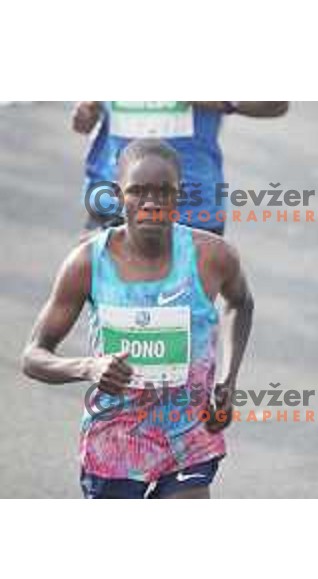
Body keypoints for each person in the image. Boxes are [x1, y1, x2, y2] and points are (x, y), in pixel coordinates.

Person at [22, 139, 254, 499]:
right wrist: (88, 367)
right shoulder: (86, 264)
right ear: (117, 195)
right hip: (115, 440)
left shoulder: (213, 257)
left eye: (165, 192)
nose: (151, 203)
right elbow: (34, 356)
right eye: (138, 192)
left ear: (181, 195)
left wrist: (227, 378)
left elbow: (240, 304)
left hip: (187, 435)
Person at [72, 101, 289, 235]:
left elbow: (275, 103)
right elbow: (90, 111)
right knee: (107, 306)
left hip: (191, 211)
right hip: (113, 206)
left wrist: (223, 102)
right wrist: (88, 112)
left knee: (183, 308)